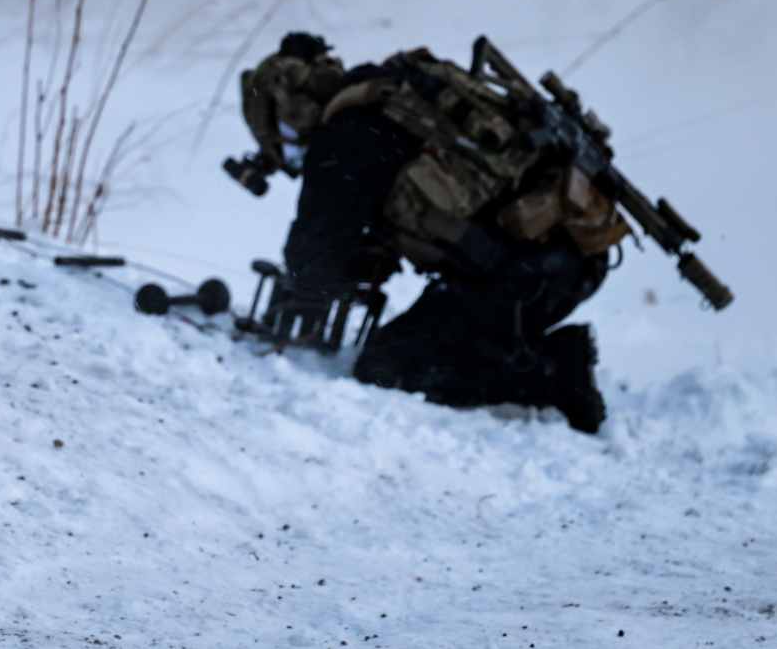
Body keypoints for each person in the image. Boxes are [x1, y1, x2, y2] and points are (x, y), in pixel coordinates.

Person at [239, 32, 619, 433]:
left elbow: (314, 264)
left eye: (288, 143)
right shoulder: (396, 98)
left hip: (532, 274)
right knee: (432, 328)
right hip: (567, 257)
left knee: (387, 366)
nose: (297, 155)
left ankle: (556, 372)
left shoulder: (344, 136)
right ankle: (520, 348)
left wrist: (323, 271)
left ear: (293, 112)